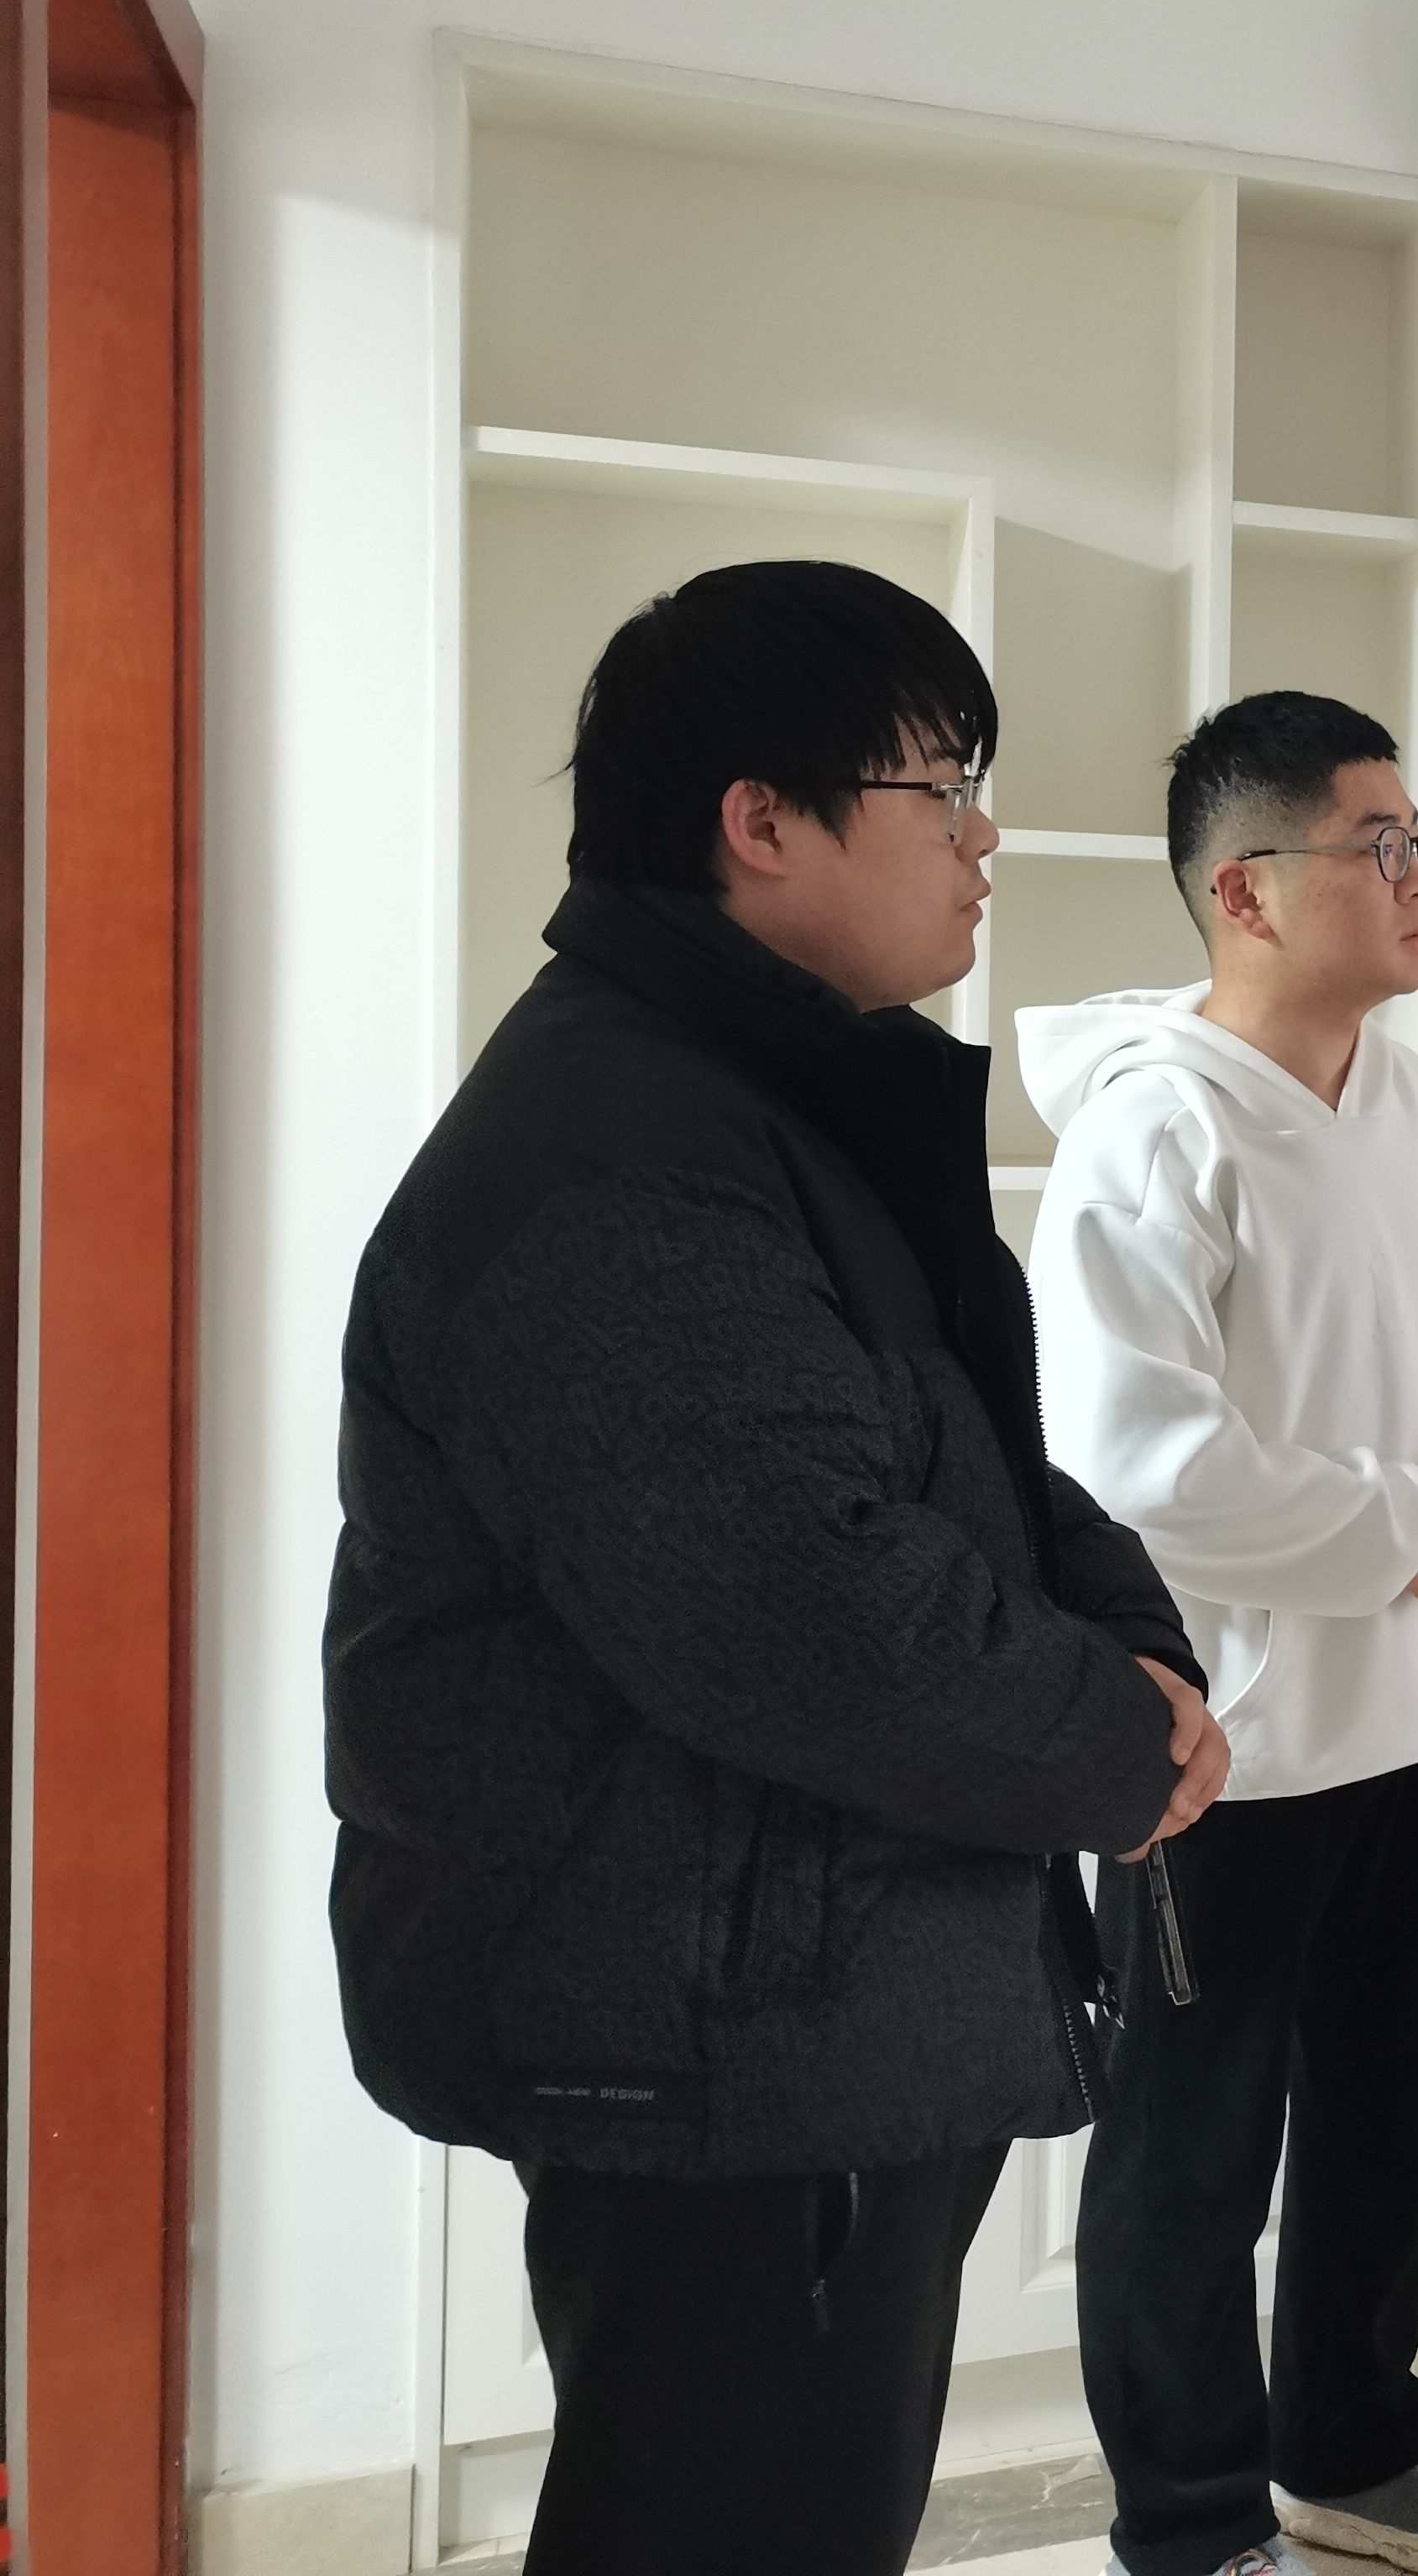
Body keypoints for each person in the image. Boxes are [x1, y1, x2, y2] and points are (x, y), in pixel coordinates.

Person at [326, 560, 1232, 2576]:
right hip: (732, 2026)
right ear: (761, 822)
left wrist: (1135, 1660)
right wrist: (1117, 1741)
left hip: (792, 1996)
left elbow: (958, 1465)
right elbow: (804, 1609)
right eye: (941, 785)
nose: (983, 837)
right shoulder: (621, 1154)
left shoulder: (756, 1102)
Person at [1028, 690, 1418, 2576]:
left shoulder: (1417, 1106)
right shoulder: (1154, 1127)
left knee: (1394, 2096)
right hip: (1225, 1747)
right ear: (1246, 890)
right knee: (1192, 2149)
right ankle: (1188, 2523)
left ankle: (1351, 2440)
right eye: (1382, 845)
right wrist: (1406, 1531)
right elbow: (1135, 1458)